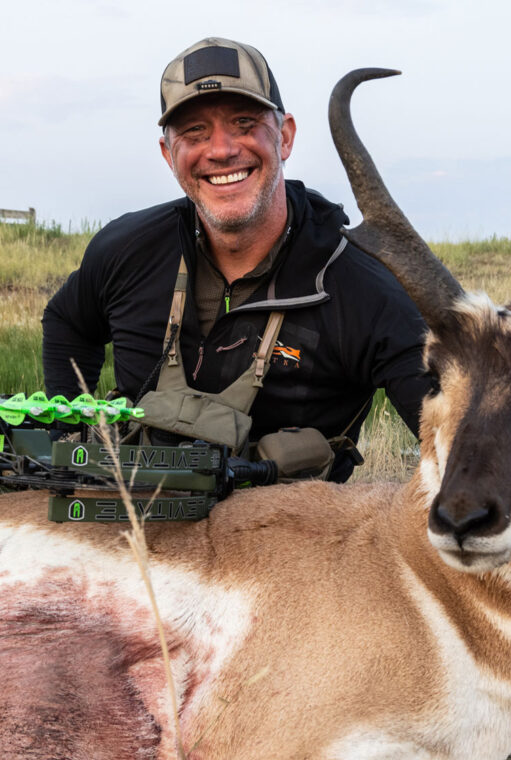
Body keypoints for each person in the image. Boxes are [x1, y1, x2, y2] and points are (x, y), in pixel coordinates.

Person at [42, 36, 430, 482]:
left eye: (244, 123)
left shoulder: (361, 287)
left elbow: (454, 438)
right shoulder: (127, 250)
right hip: (131, 532)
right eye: (194, 132)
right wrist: (68, 437)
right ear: (169, 155)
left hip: (285, 544)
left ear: (284, 137)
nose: (222, 149)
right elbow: (66, 322)